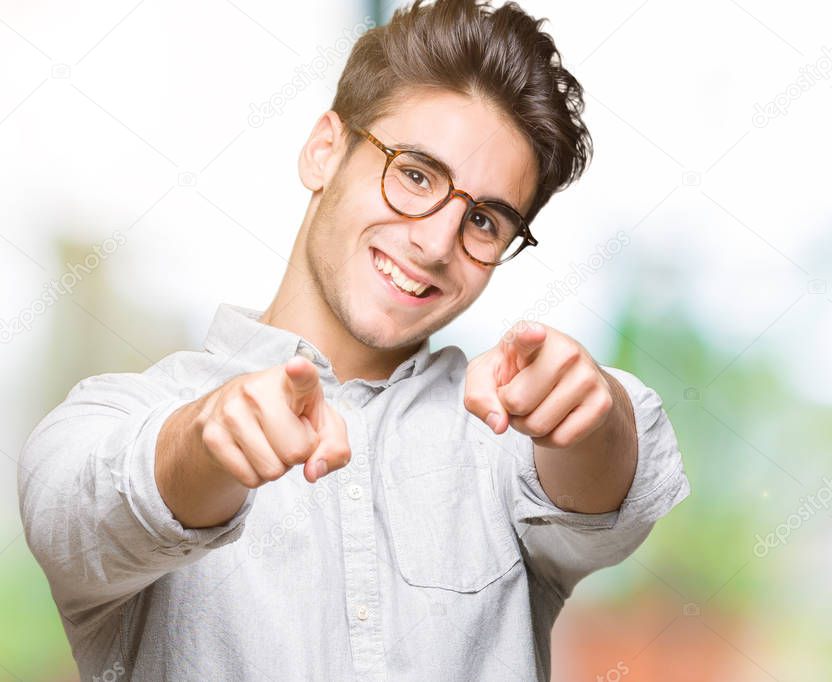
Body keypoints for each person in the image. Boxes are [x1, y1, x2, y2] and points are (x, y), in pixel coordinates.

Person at [18, 0, 690, 679]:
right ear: (324, 151)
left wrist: (588, 409)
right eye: (416, 174)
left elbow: (615, 495)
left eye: (483, 220)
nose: (434, 243)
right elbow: (72, 517)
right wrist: (204, 448)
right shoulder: (116, 419)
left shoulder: (503, 439)